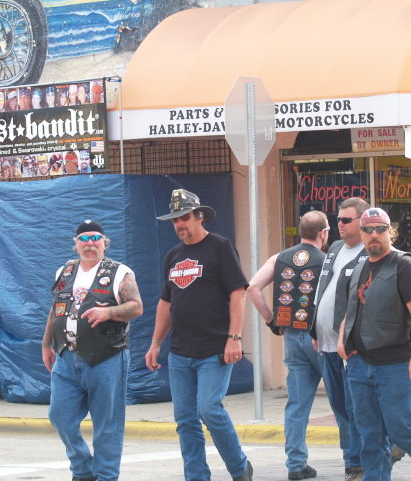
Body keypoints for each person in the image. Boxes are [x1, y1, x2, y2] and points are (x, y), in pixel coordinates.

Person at [338, 207, 411, 481]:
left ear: (391, 232)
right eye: (368, 229)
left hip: (396, 365)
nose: (374, 234)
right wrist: (343, 339)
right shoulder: (358, 267)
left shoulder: (404, 265)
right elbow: (351, 308)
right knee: (369, 434)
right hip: (359, 364)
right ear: (362, 233)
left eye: (380, 228)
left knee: (402, 428)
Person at [145, 189, 253, 481]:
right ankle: (196, 476)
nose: (180, 224)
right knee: (185, 420)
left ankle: (239, 467)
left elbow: (238, 293)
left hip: (214, 350)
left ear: (199, 216)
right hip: (180, 352)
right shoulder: (173, 256)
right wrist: (156, 343)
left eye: (185, 217)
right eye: (175, 220)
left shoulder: (220, 247)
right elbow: (166, 302)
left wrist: (235, 338)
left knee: (209, 409)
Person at [42, 220, 143, 481]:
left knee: (107, 424)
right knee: (59, 416)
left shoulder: (120, 272)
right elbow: (55, 310)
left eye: (95, 238)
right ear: (76, 244)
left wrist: (108, 311)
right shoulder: (64, 272)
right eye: (84, 239)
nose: (90, 243)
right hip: (66, 357)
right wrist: (46, 345)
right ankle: (83, 469)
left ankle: (106, 476)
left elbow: (136, 307)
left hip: (106, 357)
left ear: (104, 242)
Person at [247, 210, 330, 480]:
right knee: (342, 400)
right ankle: (354, 458)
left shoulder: (279, 258)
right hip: (320, 337)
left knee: (297, 403)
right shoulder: (327, 260)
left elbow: (252, 288)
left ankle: (296, 464)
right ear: (323, 233)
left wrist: (271, 320)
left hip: (292, 336)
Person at [310, 197, 369, 480]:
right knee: (339, 407)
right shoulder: (333, 248)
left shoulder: (369, 253)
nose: (340, 225)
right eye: (338, 220)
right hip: (325, 344)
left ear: (363, 221)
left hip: (350, 347)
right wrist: (314, 330)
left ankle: (356, 463)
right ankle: (354, 459)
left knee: (354, 406)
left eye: (346, 220)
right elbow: (323, 288)